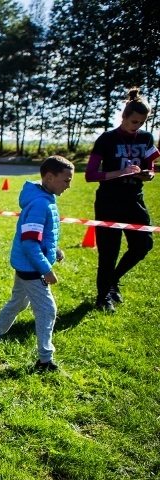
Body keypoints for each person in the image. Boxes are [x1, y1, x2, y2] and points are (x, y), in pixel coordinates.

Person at [0, 156, 75, 372]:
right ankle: (44, 360)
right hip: (32, 268)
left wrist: (54, 250)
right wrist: (46, 270)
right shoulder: (40, 203)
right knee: (48, 310)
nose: (69, 186)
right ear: (50, 177)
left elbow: (40, 237)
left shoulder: (45, 198)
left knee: (18, 303)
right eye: (66, 180)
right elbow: (30, 243)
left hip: (26, 264)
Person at [85, 88, 157, 312]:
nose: (137, 126)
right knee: (109, 252)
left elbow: (151, 168)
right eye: (134, 121)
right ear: (124, 116)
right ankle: (102, 297)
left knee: (143, 245)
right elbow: (90, 174)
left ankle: (113, 281)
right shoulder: (106, 139)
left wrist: (147, 174)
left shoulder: (146, 138)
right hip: (109, 201)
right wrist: (118, 173)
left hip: (135, 199)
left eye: (141, 122)